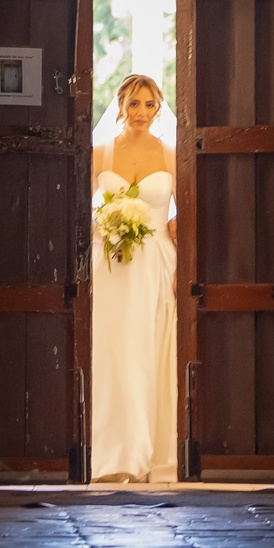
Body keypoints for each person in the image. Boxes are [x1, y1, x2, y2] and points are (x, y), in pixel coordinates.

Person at [90, 74, 177, 483]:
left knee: (150, 353)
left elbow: (190, 205)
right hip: (112, 264)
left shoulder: (172, 154)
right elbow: (75, 207)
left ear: (159, 108)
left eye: (150, 104)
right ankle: (112, 453)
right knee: (115, 354)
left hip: (157, 264)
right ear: (121, 104)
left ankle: (152, 453)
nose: (141, 112)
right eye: (134, 103)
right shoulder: (99, 154)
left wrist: (177, 225)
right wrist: (100, 225)